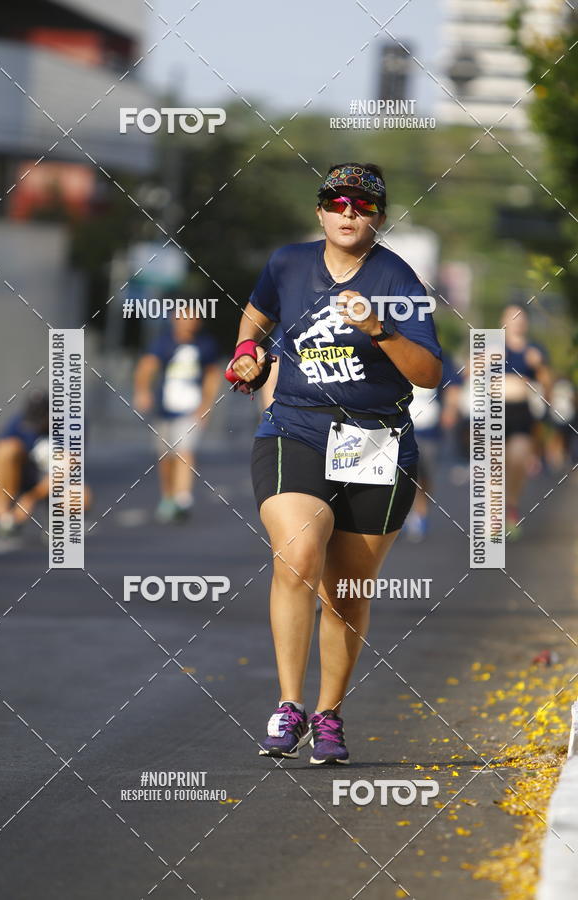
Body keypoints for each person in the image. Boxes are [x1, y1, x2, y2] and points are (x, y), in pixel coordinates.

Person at [225, 162, 443, 764]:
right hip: (294, 430)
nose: (349, 213)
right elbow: (257, 313)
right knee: (298, 555)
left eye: (363, 205)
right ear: (320, 211)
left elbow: (429, 373)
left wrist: (379, 330)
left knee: (345, 590)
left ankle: (328, 715)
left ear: (378, 215)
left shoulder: (397, 280)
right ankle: (289, 705)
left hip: (376, 443)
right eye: (338, 202)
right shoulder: (288, 264)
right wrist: (247, 352)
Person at [133, 310, 222, 522]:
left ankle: (183, 498)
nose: (188, 322)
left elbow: (212, 375)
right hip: (165, 409)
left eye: (193, 317)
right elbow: (147, 367)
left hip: (190, 409)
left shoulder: (205, 345)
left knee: (185, 451)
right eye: (184, 316)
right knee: (166, 456)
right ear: (175, 318)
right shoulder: (163, 343)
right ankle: (168, 496)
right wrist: (142, 391)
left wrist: (206, 405)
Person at [501, 304, 552, 536]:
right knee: (494, 465)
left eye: (520, 318)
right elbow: (468, 374)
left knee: (518, 460)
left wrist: (538, 365)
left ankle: (510, 506)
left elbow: (548, 382)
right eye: (512, 317)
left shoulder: (535, 349)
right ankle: (493, 516)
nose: (517, 322)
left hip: (522, 412)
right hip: (494, 411)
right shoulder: (492, 345)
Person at [405, 352, 462, 541]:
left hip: (430, 430)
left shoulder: (441, 358)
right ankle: (410, 515)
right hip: (402, 427)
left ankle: (421, 513)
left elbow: (453, 386)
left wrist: (450, 409)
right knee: (404, 473)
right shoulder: (396, 351)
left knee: (425, 474)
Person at [0, 390, 51, 534]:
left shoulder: (69, 425)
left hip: (53, 480)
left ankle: (59, 521)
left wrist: (31, 497)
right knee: (6, 449)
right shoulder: (18, 422)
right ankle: (7, 512)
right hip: (25, 475)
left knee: (80, 498)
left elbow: (67, 468)